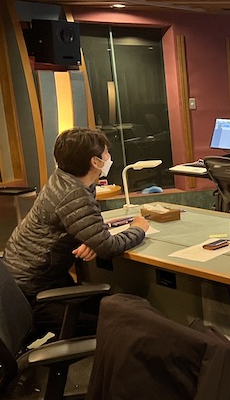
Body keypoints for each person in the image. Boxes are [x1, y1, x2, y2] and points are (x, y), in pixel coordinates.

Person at [2, 127, 149, 337]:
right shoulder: (73, 194)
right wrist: (138, 228)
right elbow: (108, 247)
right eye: (106, 153)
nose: (109, 157)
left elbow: (73, 224)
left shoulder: (63, 178)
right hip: (36, 296)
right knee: (124, 324)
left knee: (121, 308)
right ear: (95, 162)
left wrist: (89, 238)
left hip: (24, 282)